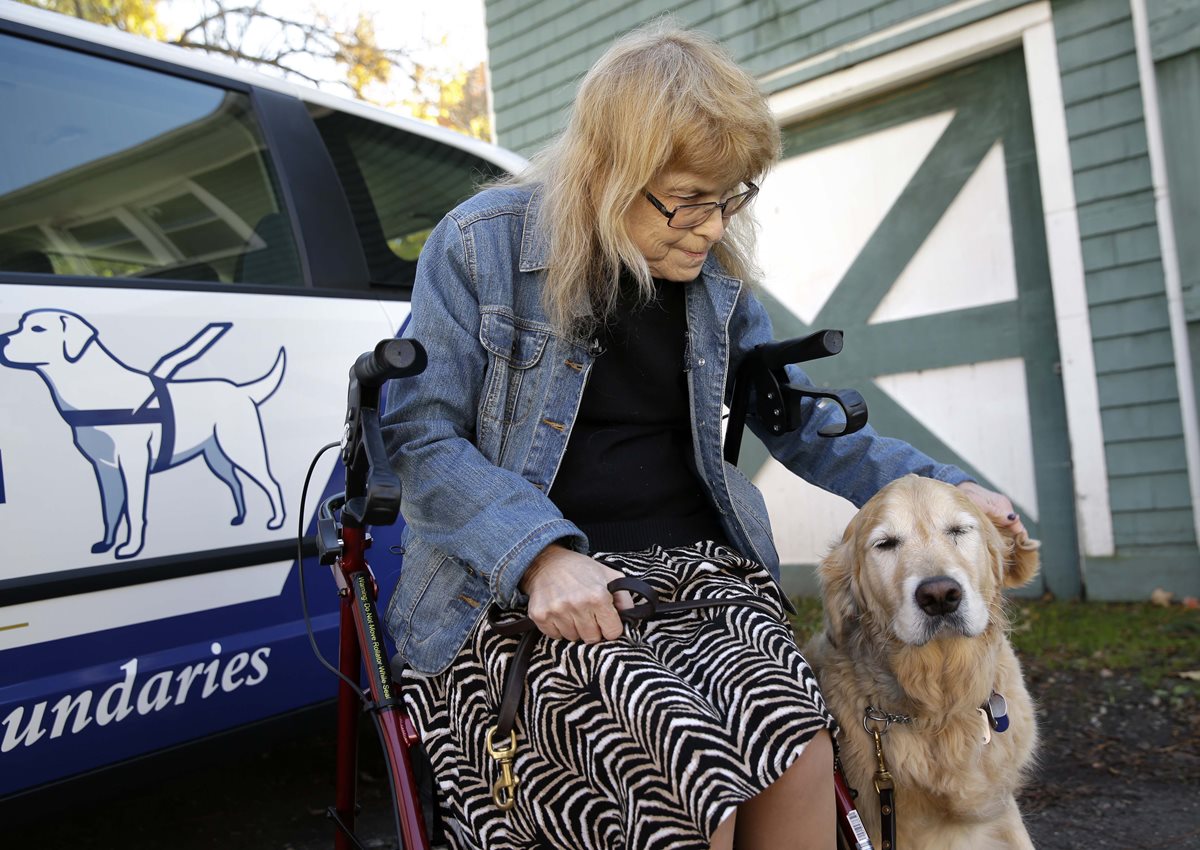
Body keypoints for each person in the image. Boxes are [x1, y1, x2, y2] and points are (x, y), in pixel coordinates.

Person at [381, 19, 1024, 850]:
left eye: (730, 200)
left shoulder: (716, 282)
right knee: (691, 778)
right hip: (522, 586)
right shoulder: (481, 247)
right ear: (608, 171)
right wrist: (539, 555)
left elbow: (807, 426)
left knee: (795, 744)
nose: (713, 227)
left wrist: (946, 486)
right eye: (687, 199)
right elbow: (420, 438)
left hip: (698, 575)